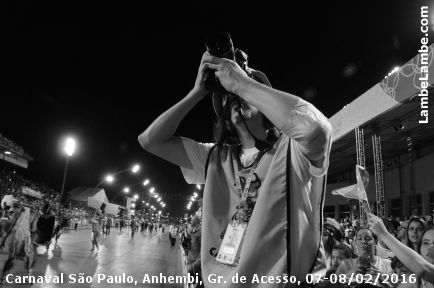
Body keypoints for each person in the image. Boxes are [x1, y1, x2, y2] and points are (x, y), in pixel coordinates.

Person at [138, 32, 332, 287]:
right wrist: (198, 92)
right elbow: (150, 140)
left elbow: (317, 129)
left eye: (251, 92)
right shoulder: (213, 157)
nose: (239, 97)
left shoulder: (293, 151)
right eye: (232, 97)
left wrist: (243, 83)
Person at [368, 213, 434, 286]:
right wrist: (382, 280)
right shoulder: (413, 278)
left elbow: (422, 268)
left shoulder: (421, 269)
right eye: (426, 243)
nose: (430, 247)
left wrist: (384, 234)